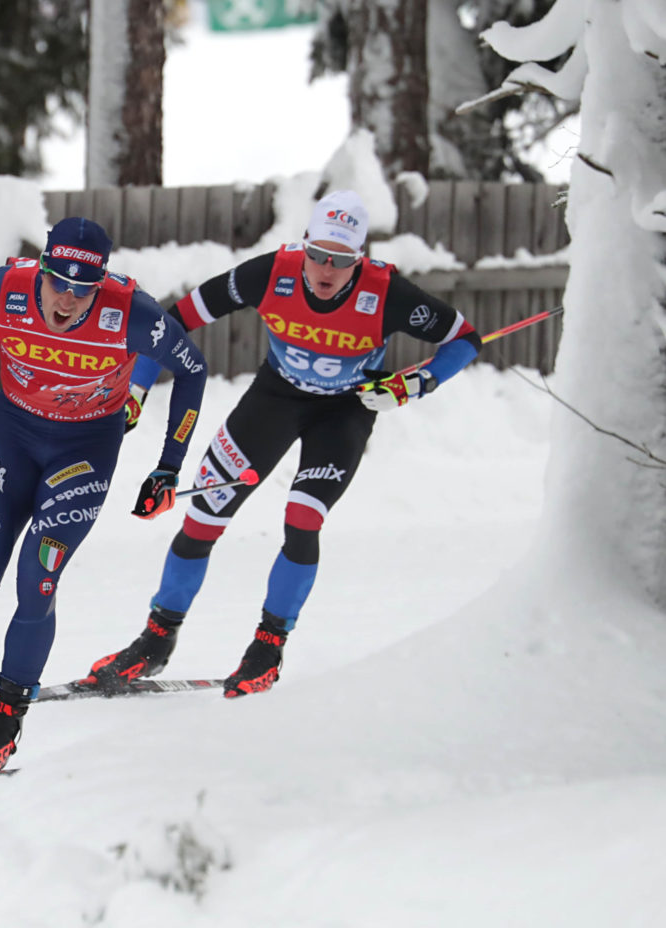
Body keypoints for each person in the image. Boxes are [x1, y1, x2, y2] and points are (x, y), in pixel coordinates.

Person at [85, 190, 482, 699]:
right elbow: (173, 321)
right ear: (304, 245)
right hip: (274, 399)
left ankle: (268, 646)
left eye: (340, 259)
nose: (325, 268)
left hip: (344, 412)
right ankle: (156, 638)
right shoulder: (271, 272)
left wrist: (415, 383)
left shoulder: (387, 293)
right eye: (317, 253)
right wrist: (135, 387)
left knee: (303, 517)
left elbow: (465, 338)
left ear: (359, 259)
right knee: (205, 513)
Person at [0, 217, 207, 778]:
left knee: (38, 573)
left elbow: (192, 369)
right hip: (11, 440)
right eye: (58, 281)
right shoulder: (1, 290)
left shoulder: (129, 311)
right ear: (41, 271)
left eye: (83, 288)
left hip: (84, 450)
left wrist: (167, 469)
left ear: (100, 284)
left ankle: (5, 719)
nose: (67, 299)